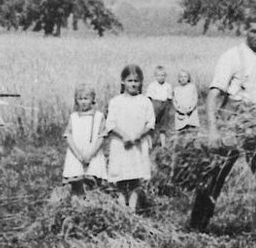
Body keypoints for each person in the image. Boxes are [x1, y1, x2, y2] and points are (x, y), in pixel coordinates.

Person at [191, 11, 256, 234]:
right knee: (213, 177)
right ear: (245, 30)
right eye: (253, 31)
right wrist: (213, 131)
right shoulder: (231, 57)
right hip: (231, 119)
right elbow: (213, 95)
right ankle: (196, 228)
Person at [105, 64, 156, 209]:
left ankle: (132, 209)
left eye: (136, 81)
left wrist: (140, 135)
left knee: (136, 177)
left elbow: (150, 123)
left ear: (141, 82)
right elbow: (110, 124)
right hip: (121, 145)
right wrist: (123, 136)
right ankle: (122, 208)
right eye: (130, 81)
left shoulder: (145, 101)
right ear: (123, 82)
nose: (133, 84)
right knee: (120, 177)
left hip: (138, 145)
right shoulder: (116, 101)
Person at [62, 84, 108, 197]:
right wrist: (78, 155)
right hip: (77, 153)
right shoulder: (73, 117)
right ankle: (77, 199)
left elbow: (101, 136)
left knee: (92, 179)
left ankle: (93, 199)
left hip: (92, 152)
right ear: (76, 101)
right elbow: (68, 136)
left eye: (86, 98)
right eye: (80, 99)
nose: (83, 102)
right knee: (76, 180)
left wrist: (91, 155)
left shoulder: (99, 116)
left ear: (92, 99)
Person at [147, 65, 174, 139]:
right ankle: (151, 141)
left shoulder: (167, 85)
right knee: (152, 124)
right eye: (158, 75)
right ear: (155, 76)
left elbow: (169, 98)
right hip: (155, 105)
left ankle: (163, 143)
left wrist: (168, 106)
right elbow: (149, 97)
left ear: (165, 76)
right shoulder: (152, 85)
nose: (161, 77)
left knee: (163, 126)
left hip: (165, 105)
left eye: (162, 75)